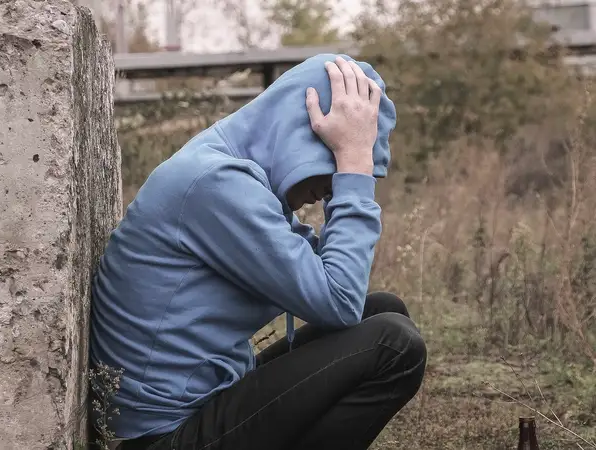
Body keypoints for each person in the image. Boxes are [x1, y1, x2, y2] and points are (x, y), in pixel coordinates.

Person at [88, 54, 427, 450]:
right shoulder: (217, 185)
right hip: (160, 437)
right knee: (394, 345)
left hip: (200, 406)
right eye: (332, 161)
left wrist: (349, 174)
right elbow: (339, 299)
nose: (331, 188)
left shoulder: (230, 172)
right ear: (300, 132)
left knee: (384, 309)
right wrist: (353, 169)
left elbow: (332, 278)